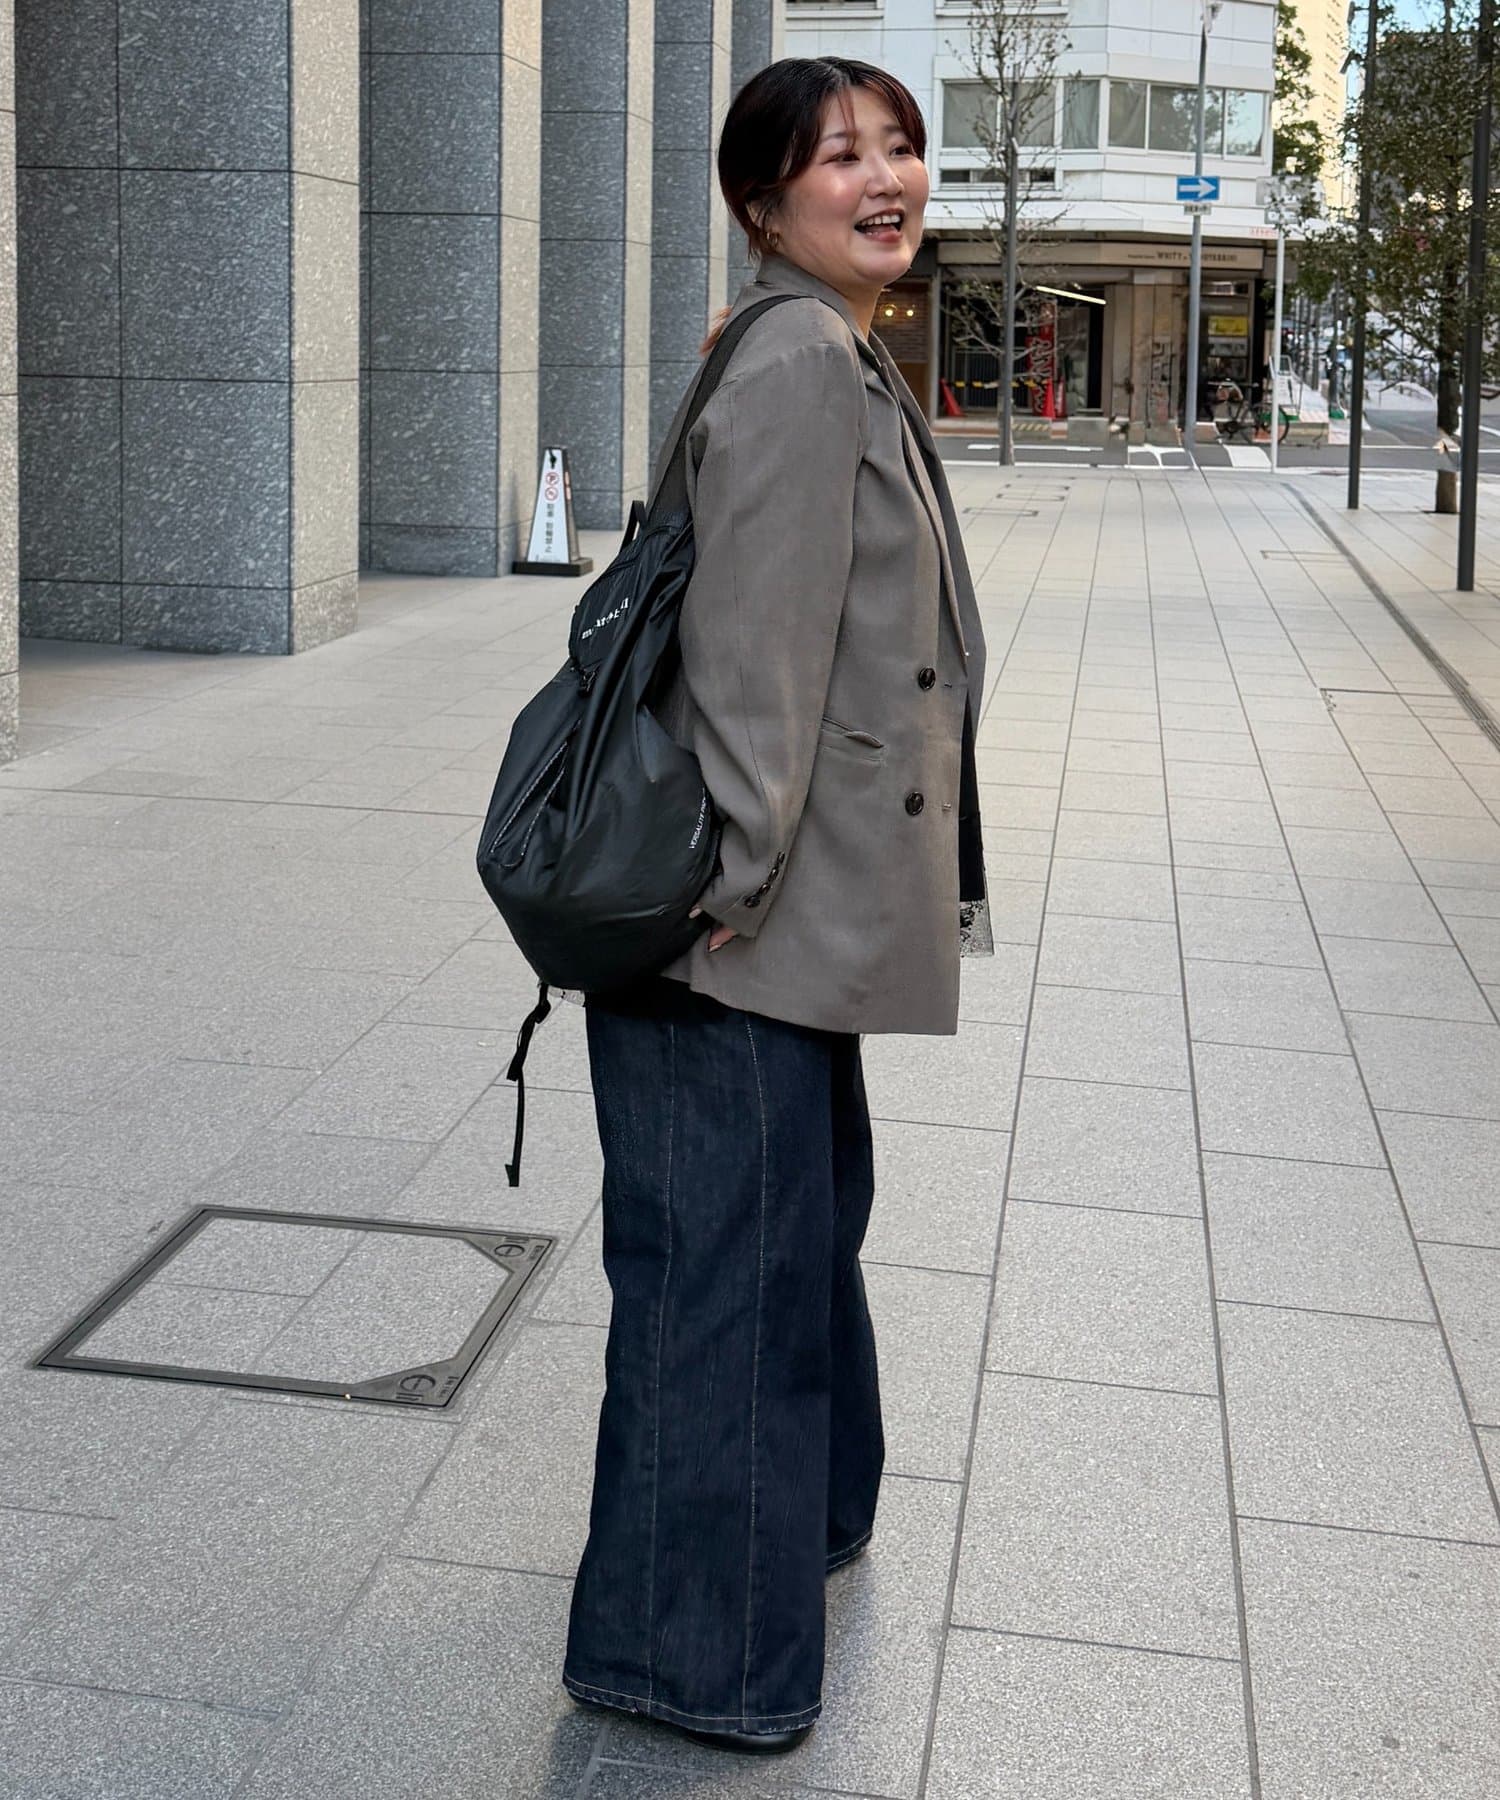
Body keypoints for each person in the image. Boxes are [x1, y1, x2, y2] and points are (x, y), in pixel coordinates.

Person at [561, 55, 989, 1757]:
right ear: (762, 202)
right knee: (729, 1275)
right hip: (739, 924)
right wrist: (729, 882)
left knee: (779, 1240)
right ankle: (703, 1655)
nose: (885, 179)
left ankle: (780, 1555)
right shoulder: (805, 361)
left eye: (901, 148)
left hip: (783, 918)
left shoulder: (821, 344)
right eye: (839, 158)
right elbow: (754, 649)